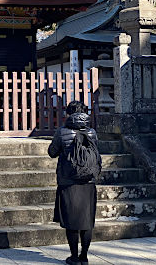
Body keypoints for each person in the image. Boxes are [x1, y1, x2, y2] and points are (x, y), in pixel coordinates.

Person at [48, 100, 100, 265]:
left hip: (68, 181)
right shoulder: (91, 132)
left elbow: (52, 152)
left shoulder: (62, 131)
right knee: (86, 220)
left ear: (69, 114)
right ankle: (84, 257)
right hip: (88, 181)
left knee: (72, 221)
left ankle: (74, 257)